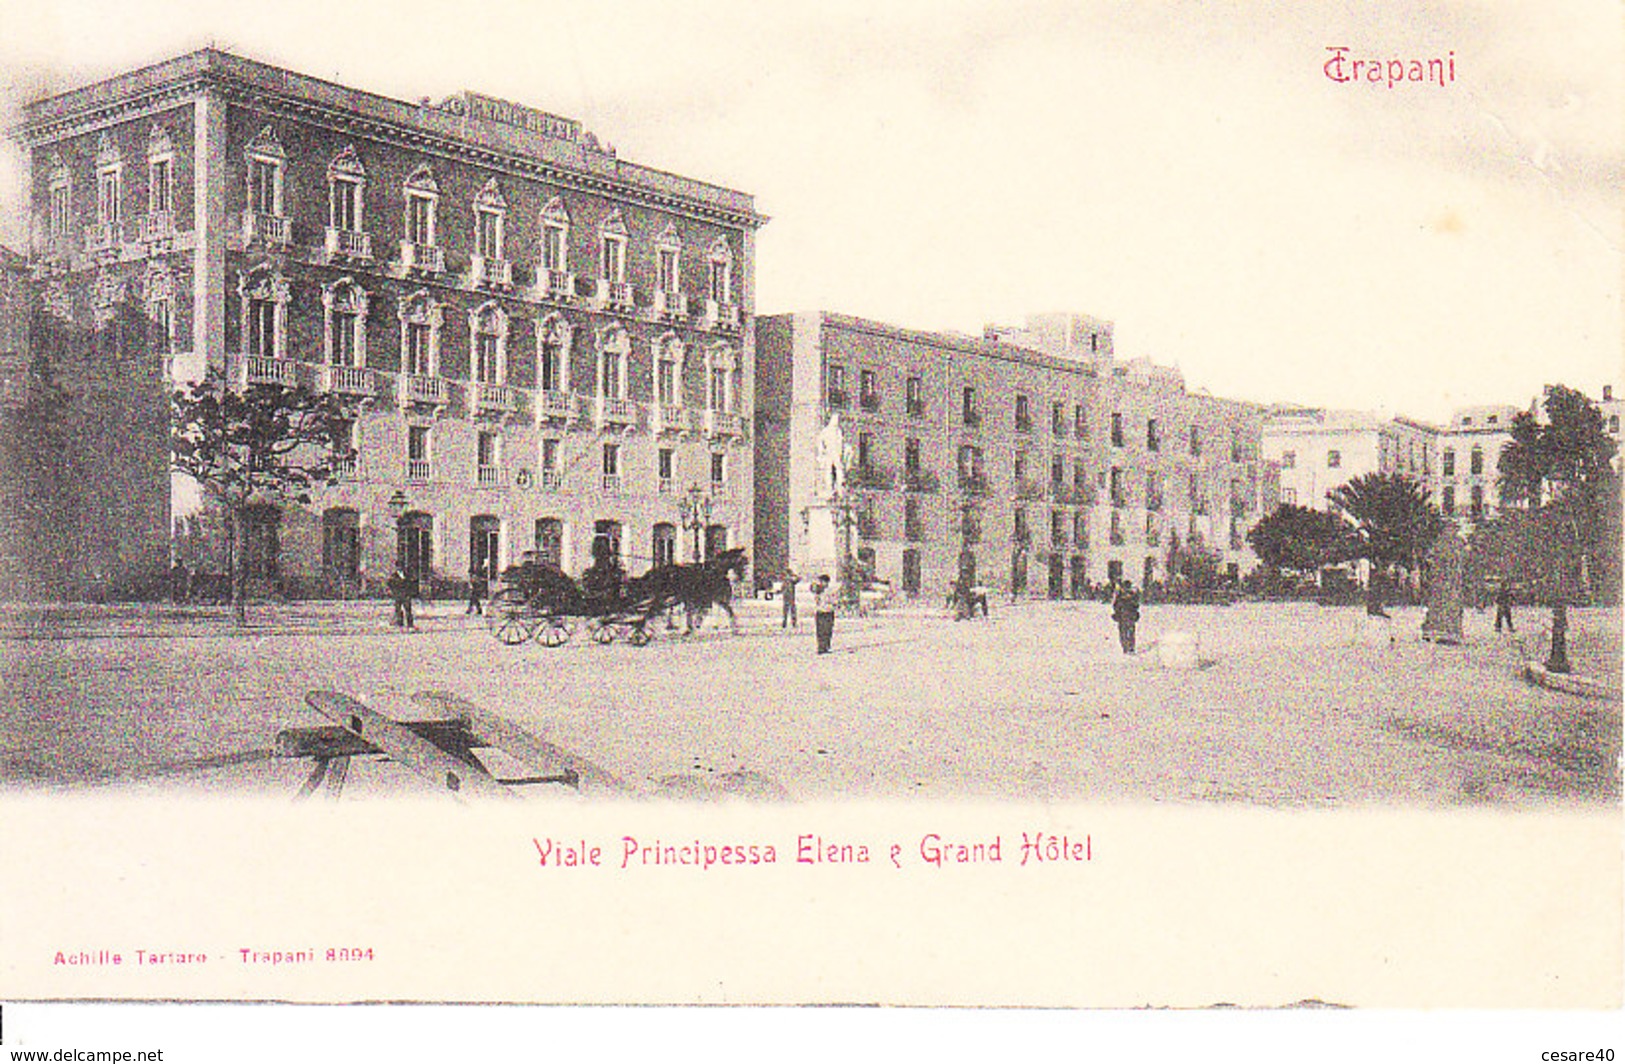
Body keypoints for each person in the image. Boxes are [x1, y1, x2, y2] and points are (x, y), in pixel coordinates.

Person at [1111, 579, 1141, 654]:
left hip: (1123, 616)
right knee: (1130, 632)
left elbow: (1115, 605)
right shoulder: (1132, 595)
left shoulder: (1120, 595)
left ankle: (1126, 647)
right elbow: (1136, 605)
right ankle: (1130, 647)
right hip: (1129, 616)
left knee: (1124, 632)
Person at [387, 564, 417, 630]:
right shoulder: (394, 576)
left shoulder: (407, 575)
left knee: (408, 609)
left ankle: (410, 624)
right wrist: (393, 592)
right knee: (398, 609)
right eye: (398, 567)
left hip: (406, 595)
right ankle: (400, 623)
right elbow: (390, 584)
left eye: (401, 567)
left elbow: (411, 583)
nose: (400, 568)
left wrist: (410, 592)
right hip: (398, 595)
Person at [813, 574, 837, 654]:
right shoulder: (818, 590)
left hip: (828, 611)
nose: (821, 583)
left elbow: (835, 601)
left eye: (822, 581)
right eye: (820, 581)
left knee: (827, 630)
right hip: (820, 611)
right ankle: (820, 647)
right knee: (820, 630)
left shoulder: (831, 591)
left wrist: (831, 602)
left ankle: (826, 646)